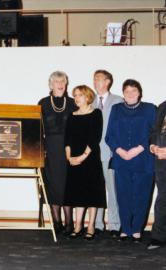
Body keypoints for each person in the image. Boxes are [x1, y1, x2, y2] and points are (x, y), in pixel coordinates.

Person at [105, 79, 156, 242]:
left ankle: (136, 230)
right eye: (127, 91)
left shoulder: (150, 109)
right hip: (121, 160)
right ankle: (125, 228)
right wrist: (120, 151)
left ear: (139, 92)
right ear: (123, 94)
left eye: (134, 90)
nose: (130, 94)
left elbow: (153, 134)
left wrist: (137, 149)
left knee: (141, 195)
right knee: (123, 196)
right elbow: (109, 136)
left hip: (143, 160)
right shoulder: (116, 109)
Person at [64, 85, 106, 240]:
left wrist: (82, 157)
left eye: (80, 95)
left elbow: (94, 138)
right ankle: (78, 226)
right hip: (73, 159)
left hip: (90, 158)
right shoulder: (71, 115)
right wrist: (69, 158)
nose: (76, 98)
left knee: (92, 193)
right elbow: (67, 139)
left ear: (88, 97)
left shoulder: (96, 113)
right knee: (77, 193)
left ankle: (91, 226)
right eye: (75, 95)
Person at [39, 71, 77, 235]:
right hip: (51, 149)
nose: (60, 84)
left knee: (68, 183)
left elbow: (79, 127)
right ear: (50, 85)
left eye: (63, 81)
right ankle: (56, 221)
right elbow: (38, 128)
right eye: (56, 81)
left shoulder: (73, 102)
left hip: (70, 148)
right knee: (53, 184)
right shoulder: (43, 103)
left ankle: (69, 223)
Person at [92, 69, 122, 238]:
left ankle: (114, 224)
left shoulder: (118, 101)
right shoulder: (90, 101)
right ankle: (97, 224)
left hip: (110, 153)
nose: (95, 82)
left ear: (108, 82)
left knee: (113, 190)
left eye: (99, 79)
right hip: (92, 154)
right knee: (96, 190)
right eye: (94, 79)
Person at [147, 100, 166, 249]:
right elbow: (154, 131)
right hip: (161, 162)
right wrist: (153, 146)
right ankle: (158, 237)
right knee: (162, 199)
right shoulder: (162, 106)